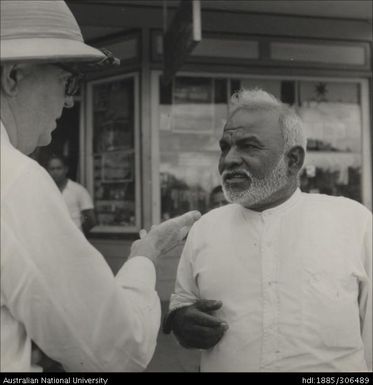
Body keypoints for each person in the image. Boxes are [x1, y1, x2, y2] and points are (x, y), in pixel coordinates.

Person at [0, 0, 200, 372]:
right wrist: (146, 254)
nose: (72, 100)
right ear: (12, 78)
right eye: (68, 80)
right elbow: (115, 351)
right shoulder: (14, 180)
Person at [163, 88, 372, 372]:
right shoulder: (205, 229)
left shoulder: (353, 221)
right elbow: (182, 301)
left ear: (293, 160)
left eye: (249, 146)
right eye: (225, 147)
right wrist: (181, 319)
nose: (230, 160)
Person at [46, 154, 96, 234]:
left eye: (59, 168)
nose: (55, 172)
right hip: (53, 239)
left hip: (74, 239)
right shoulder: (45, 191)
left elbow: (90, 219)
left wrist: (79, 233)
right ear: (48, 171)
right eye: (52, 169)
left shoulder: (78, 190)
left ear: (66, 169)